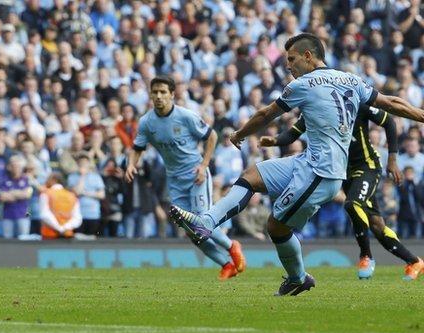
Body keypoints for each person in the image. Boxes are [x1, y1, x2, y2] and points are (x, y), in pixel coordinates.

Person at [170, 33, 424, 295]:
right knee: (252, 175)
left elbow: (265, 114)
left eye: (291, 60)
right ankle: (206, 222)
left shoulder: (303, 85)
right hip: (308, 161)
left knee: (276, 226)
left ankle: (298, 278)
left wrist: (239, 135)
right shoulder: (352, 80)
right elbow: (392, 103)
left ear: (308, 56)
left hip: (322, 173)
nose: (288, 66)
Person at [264, 105, 424, 280]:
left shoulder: (356, 103)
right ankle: (414, 261)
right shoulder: (315, 108)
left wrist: (392, 159)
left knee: (352, 205)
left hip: (367, 167)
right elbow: (293, 133)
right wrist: (275, 141)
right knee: (376, 224)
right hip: (345, 174)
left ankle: (366, 256)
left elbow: (389, 121)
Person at [125, 75, 245, 280]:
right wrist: (130, 164)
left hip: (195, 173)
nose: (159, 96)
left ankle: (232, 246)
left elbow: (212, 136)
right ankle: (226, 265)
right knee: (191, 231)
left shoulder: (186, 116)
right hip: (174, 180)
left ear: (172, 95)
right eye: (155, 92)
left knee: (200, 221)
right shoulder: (146, 122)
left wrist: (204, 165)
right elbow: (137, 147)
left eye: (163, 92)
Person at [68, 154, 105, 236]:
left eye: (85, 163)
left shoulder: (96, 177)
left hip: (93, 214)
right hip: (78, 214)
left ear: (89, 164)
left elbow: (102, 195)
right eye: (81, 163)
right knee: (78, 238)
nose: (83, 165)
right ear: (77, 164)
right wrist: (82, 176)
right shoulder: (72, 177)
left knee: (92, 239)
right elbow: (76, 192)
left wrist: (85, 193)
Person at [0, 155, 33, 239]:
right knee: (7, 241)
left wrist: (11, 193)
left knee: (24, 239)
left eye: (18, 166)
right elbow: (1, 196)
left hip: (24, 214)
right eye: (13, 166)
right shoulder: (4, 179)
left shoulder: (27, 179)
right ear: (10, 167)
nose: (16, 168)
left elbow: (27, 194)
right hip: (7, 215)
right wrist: (19, 194)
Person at [40, 172, 82, 240]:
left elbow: (45, 215)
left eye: (47, 179)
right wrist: (65, 228)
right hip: (67, 234)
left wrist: (59, 228)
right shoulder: (72, 195)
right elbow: (77, 218)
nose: (46, 182)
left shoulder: (46, 193)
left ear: (53, 180)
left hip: (49, 235)